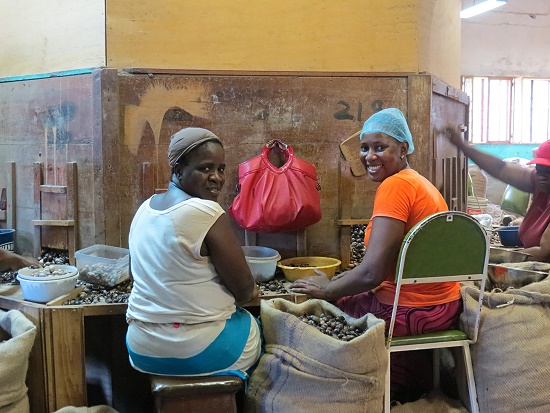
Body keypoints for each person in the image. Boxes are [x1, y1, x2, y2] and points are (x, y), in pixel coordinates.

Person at [290, 108, 462, 402]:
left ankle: (353, 397)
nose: (369, 156)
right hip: (444, 306)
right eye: (365, 147)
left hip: (409, 311)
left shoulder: (395, 186)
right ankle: (405, 384)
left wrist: (326, 291)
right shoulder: (420, 183)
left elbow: (372, 273)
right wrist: (340, 281)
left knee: (315, 313)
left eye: (380, 147)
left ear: (403, 148)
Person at [126, 127, 262, 379]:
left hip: (141, 348)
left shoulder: (144, 210)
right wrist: (251, 290)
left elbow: (135, 277)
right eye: (205, 168)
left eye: (221, 169)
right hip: (196, 351)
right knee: (260, 330)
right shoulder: (205, 211)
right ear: (178, 170)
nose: (216, 178)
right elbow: (244, 292)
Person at [447, 127, 550, 262]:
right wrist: (461, 144)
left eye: (548, 170)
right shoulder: (540, 183)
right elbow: (500, 169)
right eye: (539, 169)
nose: (542, 176)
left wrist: (494, 256)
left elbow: (544, 252)